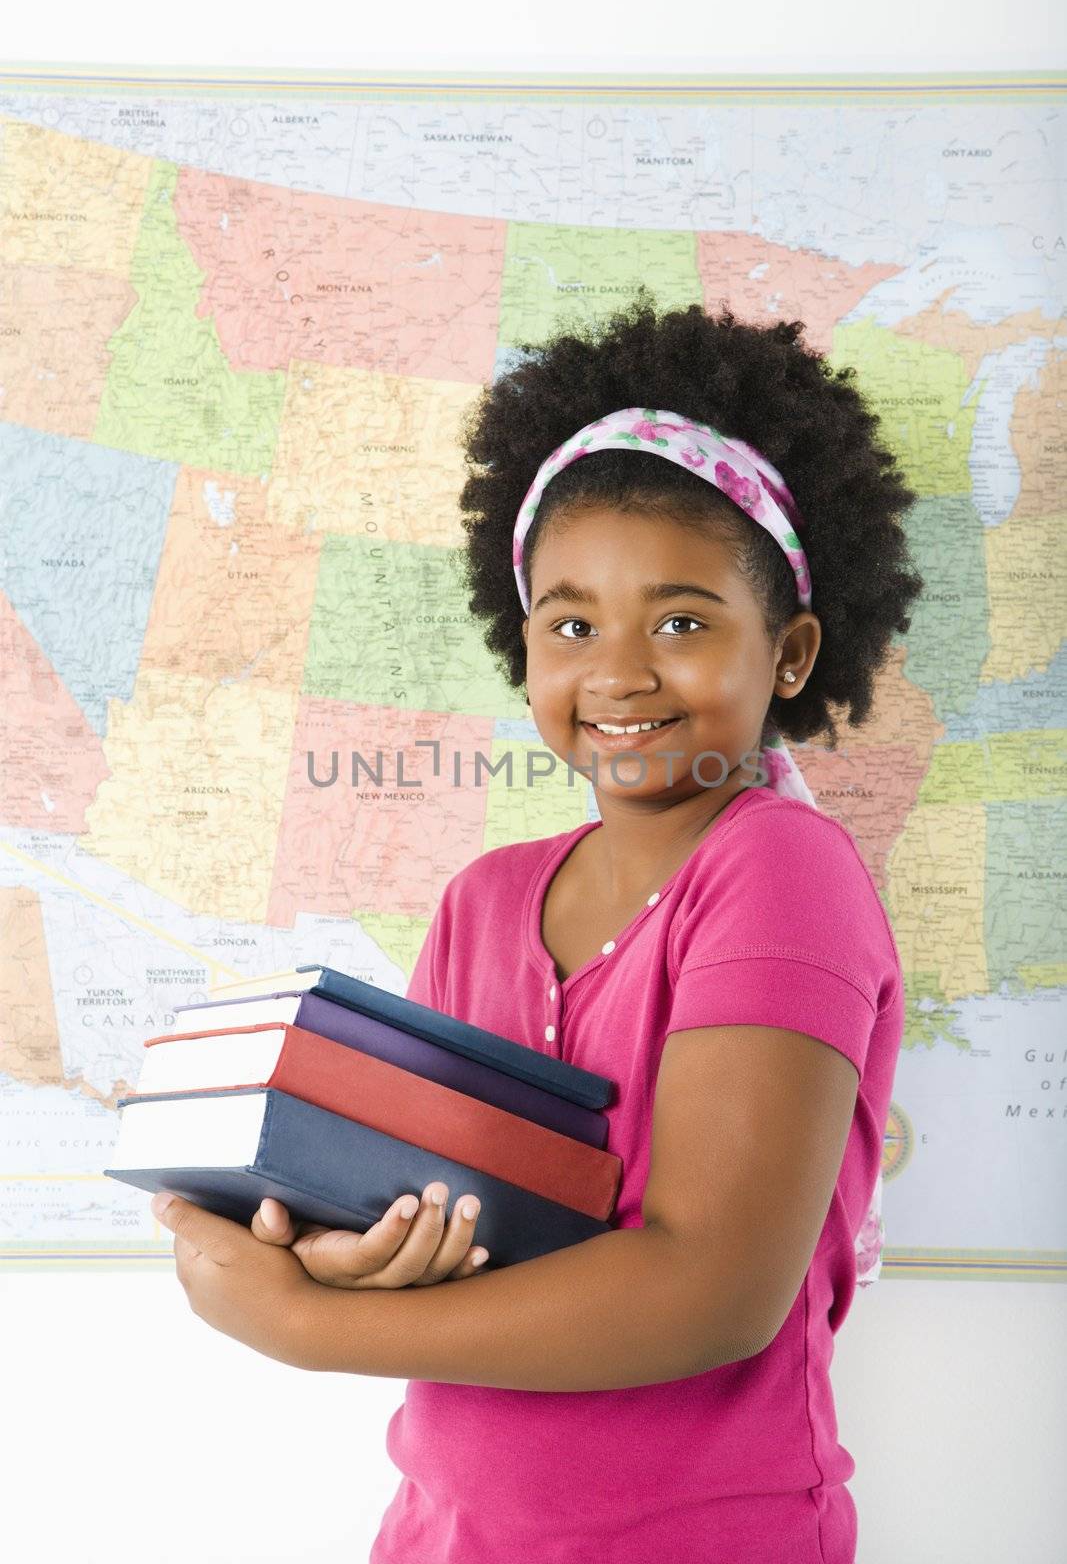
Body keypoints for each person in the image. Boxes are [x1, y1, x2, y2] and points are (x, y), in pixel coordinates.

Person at [154, 293, 925, 1563]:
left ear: (787, 653)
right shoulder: (484, 900)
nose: (618, 671)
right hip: (445, 1535)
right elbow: (428, 1217)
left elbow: (710, 1290)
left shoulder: (780, 870)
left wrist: (305, 1327)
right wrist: (333, 1251)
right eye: (570, 623)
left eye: (680, 620)